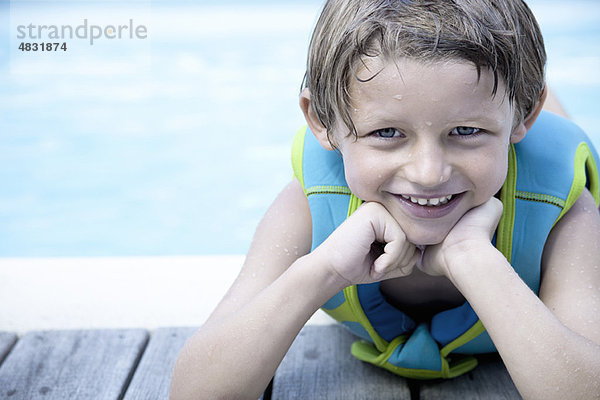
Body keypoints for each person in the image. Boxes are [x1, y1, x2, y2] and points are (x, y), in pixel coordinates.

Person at [170, 0, 600, 398]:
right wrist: (324, 269)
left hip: (529, 148)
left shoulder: (560, 207)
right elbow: (194, 391)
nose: (428, 174)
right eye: (387, 133)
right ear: (322, 123)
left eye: (466, 131)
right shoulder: (314, 202)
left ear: (525, 115)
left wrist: (475, 260)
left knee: (550, 135)